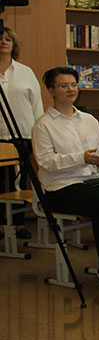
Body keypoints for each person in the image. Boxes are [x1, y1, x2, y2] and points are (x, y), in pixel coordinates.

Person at [32, 67, 99, 291]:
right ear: (51, 91)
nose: (70, 90)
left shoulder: (88, 120)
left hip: (91, 179)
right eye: (63, 86)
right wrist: (81, 158)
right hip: (60, 186)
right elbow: (46, 161)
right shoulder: (43, 125)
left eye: (74, 85)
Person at [0, 27, 44, 238]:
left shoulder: (25, 72)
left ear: (13, 44)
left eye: (8, 39)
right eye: (0, 38)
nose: (4, 42)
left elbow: (36, 106)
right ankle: (1, 226)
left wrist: (39, 136)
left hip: (22, 134)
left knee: (20, 181)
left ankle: (18, 224)